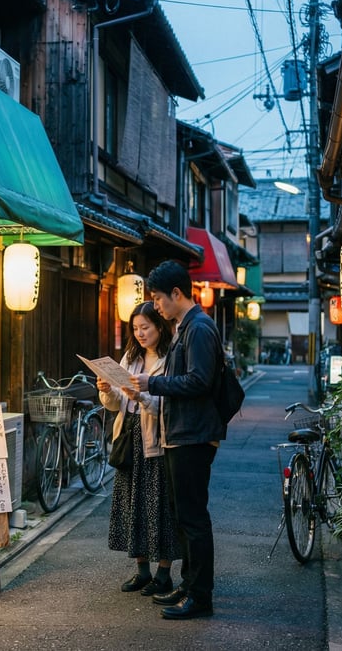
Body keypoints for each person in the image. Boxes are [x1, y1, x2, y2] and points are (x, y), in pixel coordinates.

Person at [130, 260, 226, 620]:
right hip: (180, 434)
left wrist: (151, 383)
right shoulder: (186, 327)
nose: (155, 306)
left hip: (192, 436)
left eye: (158, 298)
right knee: (183, 517)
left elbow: (199, 381)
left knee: (194, 518)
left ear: (176, 293)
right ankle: (189, 585)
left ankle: (200, 596)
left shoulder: (199, 328)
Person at [97, 301, 180, 597]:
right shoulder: (130, 356)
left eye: (145, 327)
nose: (140, 333)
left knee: (160, 506)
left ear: (160, 326)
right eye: (135, 328)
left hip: (156, 442)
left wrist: (142, 395)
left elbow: (169, 405)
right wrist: (107, 391)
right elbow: (116, 404)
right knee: (132, 503)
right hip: (128, 437)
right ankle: (142, 570)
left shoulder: (171, 358)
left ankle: (164, 573)